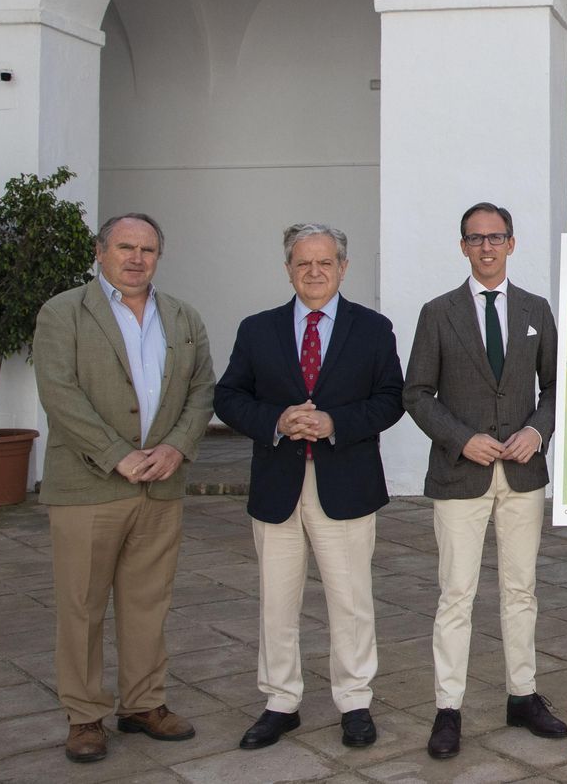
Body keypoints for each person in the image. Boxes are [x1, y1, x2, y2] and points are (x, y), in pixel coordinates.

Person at [32, 213, 216, 764]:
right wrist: (119, 456)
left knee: (147, 602)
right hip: (88, 487)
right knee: (82, 604)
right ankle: (84, 715)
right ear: (100, 251)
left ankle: (143, 703)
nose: (137, 258)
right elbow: (58, 392)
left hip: (161, 485)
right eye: (125, 247)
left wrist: (177, 447)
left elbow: (202, 388)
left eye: (148, 249)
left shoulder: (182, 315)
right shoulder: (63, 312)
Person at [214, 223, 404, 751]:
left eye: (325, 262)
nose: (314, 272)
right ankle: (280, 702)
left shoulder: (373, 328)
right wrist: (278, 419)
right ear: (288, 270)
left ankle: (355, 701)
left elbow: (392, 398)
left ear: (343, 267)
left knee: (351, 601)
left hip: (346, 484)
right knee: (276, 603)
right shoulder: (258, 329)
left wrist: (333, 422)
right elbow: (228, 397)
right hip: (278, 487)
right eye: (304, 263)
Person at [403, 202, 567, 759]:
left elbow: (556, 388)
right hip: (460, 474)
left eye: (496, 237)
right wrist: (460, 438)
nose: (487, 247)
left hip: (522, 473)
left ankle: (522, 696)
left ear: (512, 244)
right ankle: (447, 708)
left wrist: (537, 432)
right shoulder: (438, 312)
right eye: (476, 239)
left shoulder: (535, 309)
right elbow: (416, 393)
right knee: (456, 594)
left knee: (521, 591)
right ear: (463, 247)